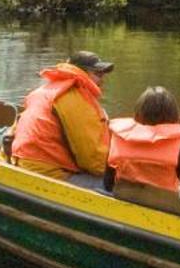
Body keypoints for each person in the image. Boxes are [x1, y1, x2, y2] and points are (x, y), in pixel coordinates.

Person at [7, 51, 114, 180]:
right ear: (83, 73)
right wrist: (116, 174)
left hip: (20, 163)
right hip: (45, 173)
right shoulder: (74, 98)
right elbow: (93, 160)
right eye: (98, 74)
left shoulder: (44, 90)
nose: (102, 80)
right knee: (113, 188)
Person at [105, 86, 180, 191]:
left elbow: (108, 183)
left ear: (138, 112)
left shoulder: (118, 136)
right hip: (165, 203)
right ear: (173, 114)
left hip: (124, 196)